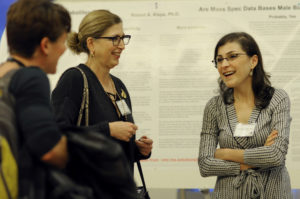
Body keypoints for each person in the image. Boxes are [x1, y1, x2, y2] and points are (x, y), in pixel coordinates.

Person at [51, 8, 153, 182]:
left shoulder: (119, 86)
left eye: (123, 38)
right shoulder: (74, 79)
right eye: (115, 38)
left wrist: (136, 150)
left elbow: (108, 147)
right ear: (91, 43)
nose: (121, 45)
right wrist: (108, 130)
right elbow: (56, 137)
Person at [198, 32, 292, 198]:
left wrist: (223, 153)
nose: (224, 64)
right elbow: (205, 165)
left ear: (253, 61)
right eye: (219, 60)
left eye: (232, 56)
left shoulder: (278, 99)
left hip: (272, 191)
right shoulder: (214, 106)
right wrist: (252, 160)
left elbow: (276, 155)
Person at [1, 0, 71, 198]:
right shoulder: (31, 77)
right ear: (45, 45)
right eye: (63, 41)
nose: (64, 49)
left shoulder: (4, 75)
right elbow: (49, 149)